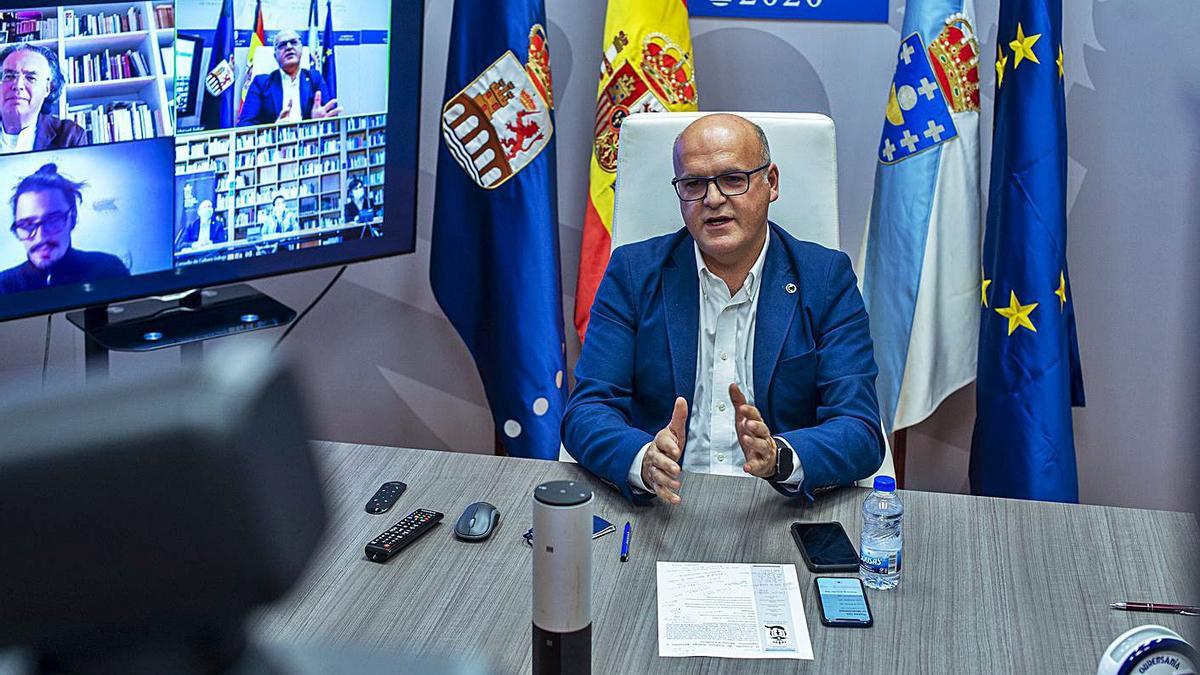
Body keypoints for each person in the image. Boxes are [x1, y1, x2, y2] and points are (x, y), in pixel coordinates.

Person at [562, 113, 884, 505]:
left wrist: (780, 457)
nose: (713, 200)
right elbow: (588, 410)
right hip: (662, 504)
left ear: (771, 183)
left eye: (733, 179)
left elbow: (860, 428)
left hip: (776, 507)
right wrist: (643, 459)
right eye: (694, 184)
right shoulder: (633, 273)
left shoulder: (826, 279)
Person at [0, 163, 129, 293]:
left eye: (53, 220)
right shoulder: (4, 286)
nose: (41, 237)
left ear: (72, 218)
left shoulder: (109, 270)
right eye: (27, 225)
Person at [236, 30, 342, 127]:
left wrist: (316, 122)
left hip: (309, 143)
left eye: (294, 42)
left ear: (301, 49)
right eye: (282, 45)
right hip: (273, 145)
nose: (289, 47)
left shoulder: (315, 79)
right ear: (275, 56)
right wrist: (274, 129)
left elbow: (330, 117)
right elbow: (245, 125)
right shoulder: (261, 83)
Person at [0, 44, 85, 154]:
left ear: (47, 88)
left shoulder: (68, 136)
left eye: (31, 78)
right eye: (9, 76)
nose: (17, 85)